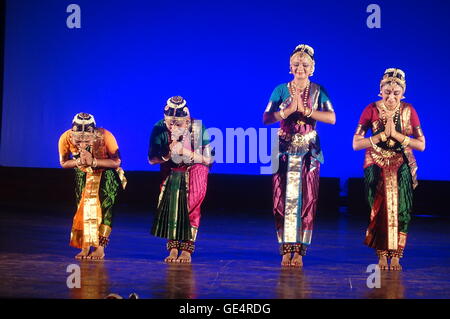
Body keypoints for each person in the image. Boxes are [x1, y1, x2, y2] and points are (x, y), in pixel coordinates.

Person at [263, 44, 336, 267]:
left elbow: (332, 118)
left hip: (308, 151)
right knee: (280, 199)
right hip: (284, 149)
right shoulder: (280, 90)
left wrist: (307, 111)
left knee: (307, 199)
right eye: (296, 64)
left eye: (305, 65)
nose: (300, 68)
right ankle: (286, 249)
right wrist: (286, 111)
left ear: (312, 68)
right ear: (290, 67)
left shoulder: (318, 90)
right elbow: (266, 118)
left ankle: (300, 251)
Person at [352, 68, 425, 271]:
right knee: (378, 208)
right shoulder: (371, 109)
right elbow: (356, 144)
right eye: (387, 92)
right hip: (375, 161)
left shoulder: (409, 110)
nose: (391, 97)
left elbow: (421, 144)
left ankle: (396, 256)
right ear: (380, 91)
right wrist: (381, 137)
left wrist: (399, 136)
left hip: (401, 162)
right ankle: (381, 254)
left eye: (396, 93)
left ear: (403, 93)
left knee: (401, 208)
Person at [148, 96, 213, 263]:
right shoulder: (159, 128)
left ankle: (187, 248)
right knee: (172, 205)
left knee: (190, 204)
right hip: (171, 169)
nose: (173, 127)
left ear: (187, 120)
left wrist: (185, 152)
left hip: (195, 167)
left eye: (178, 124)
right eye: (170, 123)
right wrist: (168, 153)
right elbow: (152, 159)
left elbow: (208, 159)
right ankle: (173, 247)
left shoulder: (197, 127)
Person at [58, 113, 126, 260]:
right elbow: (64, 163)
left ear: (93, 133)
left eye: (86, 139)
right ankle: (85, 246)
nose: (82, 143)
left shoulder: (105, 136)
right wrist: (78, 163)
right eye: (78, 139)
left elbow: (116, 162)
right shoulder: (65, 137)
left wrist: (94, 162)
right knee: (83, 210)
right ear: (72, 133)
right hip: (83, 176)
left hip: (106, 175)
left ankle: (100, 248)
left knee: (104, 210)